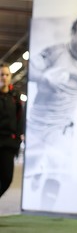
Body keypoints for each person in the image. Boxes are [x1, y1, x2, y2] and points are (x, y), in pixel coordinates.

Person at [24, 16, 77, 209]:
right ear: (72, 34)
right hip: (38, 122)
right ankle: (37, 173)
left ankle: (46, 211)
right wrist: (46, 79)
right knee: (31, 168)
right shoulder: (55, 52)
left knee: (58, 170)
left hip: (63, 126)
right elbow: (30, 72)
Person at [0, 63, 25, 198]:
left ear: (10, 76)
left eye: (7, 75)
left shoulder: (15, 97)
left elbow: (20, 118)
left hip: (9, 144)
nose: (4, 77)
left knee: (7, 179)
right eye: (1, 74)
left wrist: (18, 139)